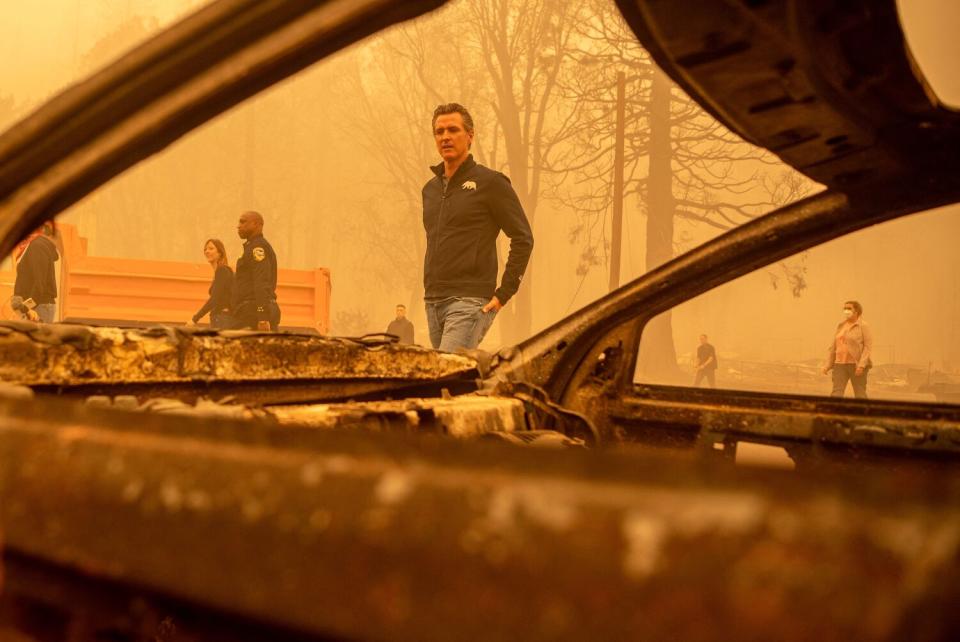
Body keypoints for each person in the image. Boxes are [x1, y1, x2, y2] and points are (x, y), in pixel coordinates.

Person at [422, 103, 533, 352]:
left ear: (470, 136)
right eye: (439, 132)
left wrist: (504, 293)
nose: (445, 137)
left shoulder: (491, 183)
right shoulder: (429, 190)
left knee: (446, 377)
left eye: (453, 129)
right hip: (433, 300)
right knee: (443, 381)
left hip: (469, 300)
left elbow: (523, 237)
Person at [231, 211, 280, 331]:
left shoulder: (258, 248)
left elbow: (261, 281)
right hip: (252, 311)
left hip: (253, 312)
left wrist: (262, 316)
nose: (238, 225)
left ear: (256, 224)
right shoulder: (252, 246)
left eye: (243, 222)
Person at [823, 300, 872, 399]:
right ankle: (833, 412)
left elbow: (867, 347)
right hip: (839, 365)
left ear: (856, 311)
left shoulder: (863, 326)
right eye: (845, 308)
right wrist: (828, 365)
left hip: (856, 365)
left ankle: (863, 413)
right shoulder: (841, 325)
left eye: (849, 308)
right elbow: (834, 346)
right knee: (837, 392)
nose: (846, 311)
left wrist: (861, 366)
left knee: (860, 393)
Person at [12, 221, 59, 323]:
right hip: (36, 307)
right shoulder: (31, 246)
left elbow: (39, 283)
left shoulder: (36, 247)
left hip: (38, 308)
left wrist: (27, 308)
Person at [191, 238, 234, 329]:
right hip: (220, 319)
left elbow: (214, 299)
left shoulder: (222, 271)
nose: (207, 251)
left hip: (222, 319)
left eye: (211, 248)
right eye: (205, 249)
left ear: (220, 253)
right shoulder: (221, 272)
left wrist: (195, 319)